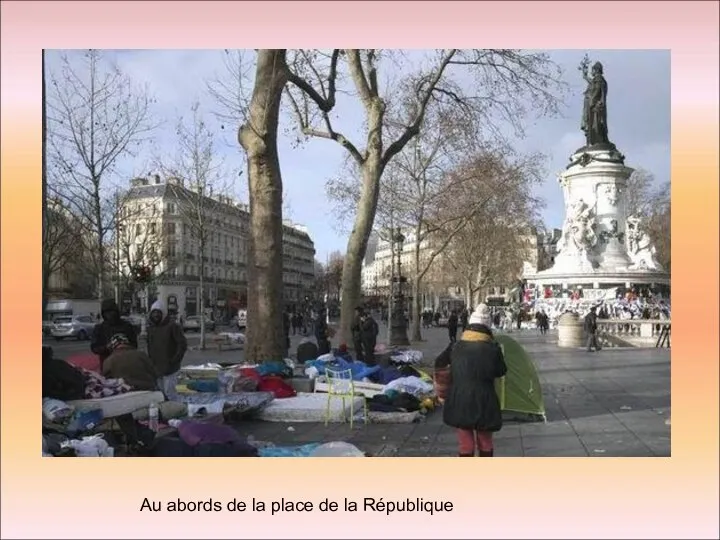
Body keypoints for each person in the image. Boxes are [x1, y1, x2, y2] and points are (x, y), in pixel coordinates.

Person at [441, 303, 507, 457]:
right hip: (485, 399)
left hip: (460, 398)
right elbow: (501, 371)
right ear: (488, 328)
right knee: (485, 440)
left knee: (465, 442)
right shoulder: (493, 349)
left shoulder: (455, 346)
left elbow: (440, 363)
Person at [146, 300, 187, 399]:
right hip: (156, 369)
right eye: (154, 312)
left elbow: (182, 344)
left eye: (158, 312)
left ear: (163, 313)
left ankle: (174, 412)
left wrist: (174, 360)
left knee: (170, 394)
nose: (156, 315)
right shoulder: (151, 328)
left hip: (170, 368)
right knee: (160, 395)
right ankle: (165, 412)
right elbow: (149, 346)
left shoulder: (172, 326)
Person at [90, 298, 138, 369]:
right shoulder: (100, 328)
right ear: (104, 314)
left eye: (112, 311)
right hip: (108, 365)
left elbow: (134, 345)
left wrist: (125, 346)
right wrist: (106, 347)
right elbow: (94, 348)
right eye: (107, 312)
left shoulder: (127, 326)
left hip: (126, 364)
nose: (110, 315)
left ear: (116, 312)